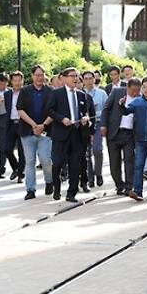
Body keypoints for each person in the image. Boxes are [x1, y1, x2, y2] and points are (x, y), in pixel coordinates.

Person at [47, 67, 93, 202]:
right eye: (72, 76)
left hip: (77, 134)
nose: (75, 79)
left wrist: (85, 118)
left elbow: (86, 112)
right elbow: (49, 110)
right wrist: (62, 118)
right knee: (57, 164)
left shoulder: (81, 95)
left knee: (75, 164)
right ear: (64, 78)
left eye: (77, 76)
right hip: (61, 134)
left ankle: (71, 193)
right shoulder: (57, 94)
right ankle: (56, 187)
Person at [17, 64, 55, 200]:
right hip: (28, 131)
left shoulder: (51, 91)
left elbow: (54, 111)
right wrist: (34, 125)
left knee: (46, 160)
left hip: (46, 131)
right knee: (30, 161)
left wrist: (43, 125)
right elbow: (20, 110)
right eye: (37, 75)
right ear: (32, 76)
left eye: (42, 74)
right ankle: (30, 189)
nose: (39, 77)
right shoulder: (25, 91)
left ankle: (49, 181)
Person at [101, 78, 139, 195]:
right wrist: (103, 125)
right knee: (114, 161)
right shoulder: (117, 92)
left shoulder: (141, 98)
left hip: (130, 134)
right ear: (127, 87)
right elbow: (106, 108)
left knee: (129, 160)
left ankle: (129, 186)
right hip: (114, 131)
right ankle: (119, 184)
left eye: (137, 90)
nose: (135, 93)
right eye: (133, 90)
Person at [82, 70, 108, 188]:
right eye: (85, 78)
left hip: (98, 124)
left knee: (97, 150)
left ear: (94, 79)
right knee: (87, 153)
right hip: (84, 127)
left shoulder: (102, 93)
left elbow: (107, 109)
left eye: (90, 78)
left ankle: (98, 173)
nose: (88, 81)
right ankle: (90, 177)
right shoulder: (80, 93)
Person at [0, 71, 25, 181]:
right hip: (11, 124)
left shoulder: (26, 92)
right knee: (6, 149)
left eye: (19, 80)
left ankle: (20, 174)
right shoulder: (7, 94)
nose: (17, 83)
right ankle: (16, 168)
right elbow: (1, 109)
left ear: (22, 81)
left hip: (23, 124)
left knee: (21, 151)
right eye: (15, 80)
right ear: (11, 81)